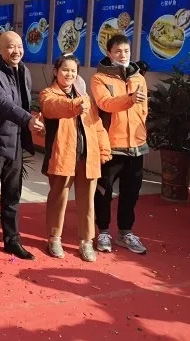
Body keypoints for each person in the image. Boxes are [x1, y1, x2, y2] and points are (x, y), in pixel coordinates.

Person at [0, 30, 45, 265]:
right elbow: (0, 102)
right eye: (10, 47)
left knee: (13, 196)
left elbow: (24, 102)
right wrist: (27, 119)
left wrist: (30, 123)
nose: (16, 51)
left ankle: (12, 240)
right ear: (0, 49)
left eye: (19, 46)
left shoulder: (24, 70)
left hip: (16, 142)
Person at [40, 54, 112, 262]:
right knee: (58, 198)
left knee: (87, 202)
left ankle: (86, 241)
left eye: (73, 71)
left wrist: (104, 150)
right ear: (56, 71)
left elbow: (97, 125)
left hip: (87, 157)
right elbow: (52, 107)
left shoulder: (85, 96)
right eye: (65, 70)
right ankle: (54, 238)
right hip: (62, 155)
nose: (69, 74)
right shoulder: (48, 94)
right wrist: (74, 106)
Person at [91, 34, 149, 255]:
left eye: (126, 51)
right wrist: (129, 99)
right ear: (109, 53)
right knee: (104, 191)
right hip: (111, 145)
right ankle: (103, 231)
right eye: (117, 51)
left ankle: (126, 232)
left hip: (136, 145)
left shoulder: (139, 77)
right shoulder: (99, 78)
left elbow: (144, 109)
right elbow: (105, 104)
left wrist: (141, 132)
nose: (123, 55)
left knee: (131, 192)